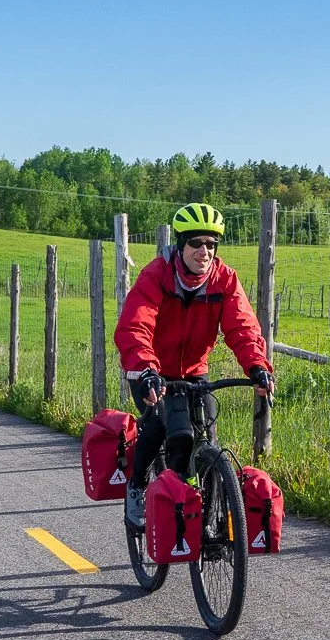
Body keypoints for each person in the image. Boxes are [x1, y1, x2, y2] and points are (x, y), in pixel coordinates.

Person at [113, 202, 274, 527]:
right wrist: (146, 369)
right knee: (160, 424)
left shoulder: (224, 281)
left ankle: (209, 518)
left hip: (195, 372)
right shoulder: (156, 276)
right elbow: (136, 326)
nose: (204, 251)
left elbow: (242, 326)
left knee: (206, 438)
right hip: (151, 370)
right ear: (180, 243)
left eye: (211, 244)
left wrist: (257, 365)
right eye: (196, 243)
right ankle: (138, 486)